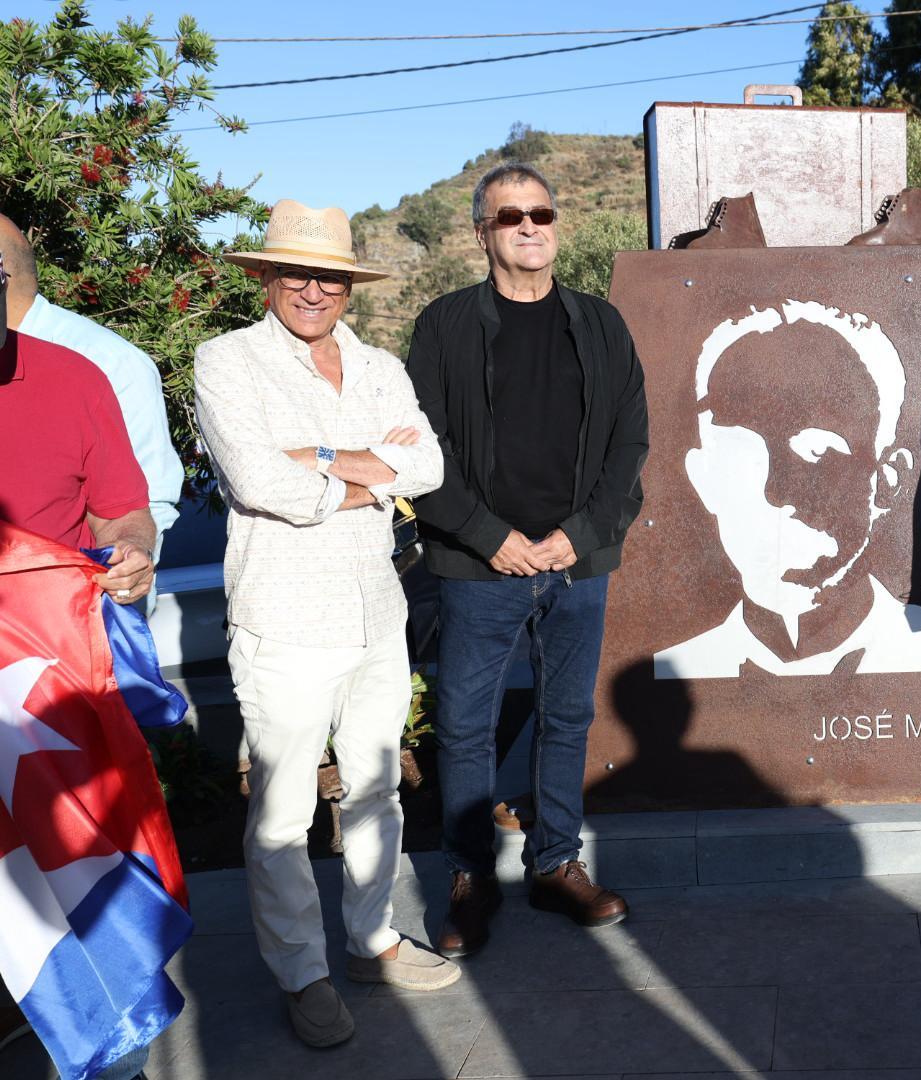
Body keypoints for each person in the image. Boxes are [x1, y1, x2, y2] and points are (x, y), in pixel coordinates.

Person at [194, 200, 455, 1048]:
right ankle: (303, 974)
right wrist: (370, 473)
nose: (313, 289)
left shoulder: (379, 367)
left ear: (349, 286)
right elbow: (259, 482)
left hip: (379, 612)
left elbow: (430, 464)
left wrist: (320, 458)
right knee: (281, 814)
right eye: (296, 272)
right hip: (284, 620)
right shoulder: (225, 362)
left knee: (378, 789)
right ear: (266, 278)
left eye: (330, 277)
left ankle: (373, 938)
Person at [406, 164, 648, 956]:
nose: (529, 226)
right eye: (509, 216)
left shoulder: (601, 324)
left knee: (568, 715)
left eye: (540, 212)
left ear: (557, 224)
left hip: (576, 562)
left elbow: (629, 442)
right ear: (482, 233)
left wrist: (582, 533)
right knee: (467, 726)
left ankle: (555, 866)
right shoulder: (443, 327)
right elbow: (423, 452)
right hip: (482, 567)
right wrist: (488, 536)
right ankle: (471, 881)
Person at [0, 246, 162, 1080]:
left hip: (48, 699)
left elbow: (124, 508)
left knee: (85, 912)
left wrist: (130, 551)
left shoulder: (74, 377)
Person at [652, 299, 921, 679]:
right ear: (704, 477)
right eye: (742, 454)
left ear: (886, 479)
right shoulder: (678, 668)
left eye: (817, 450)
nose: (775, 491)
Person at [0, 213, 183, 559]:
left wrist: (120, 580)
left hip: (83, 594)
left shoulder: (105, 361)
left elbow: (147, 501)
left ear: (4, 277)